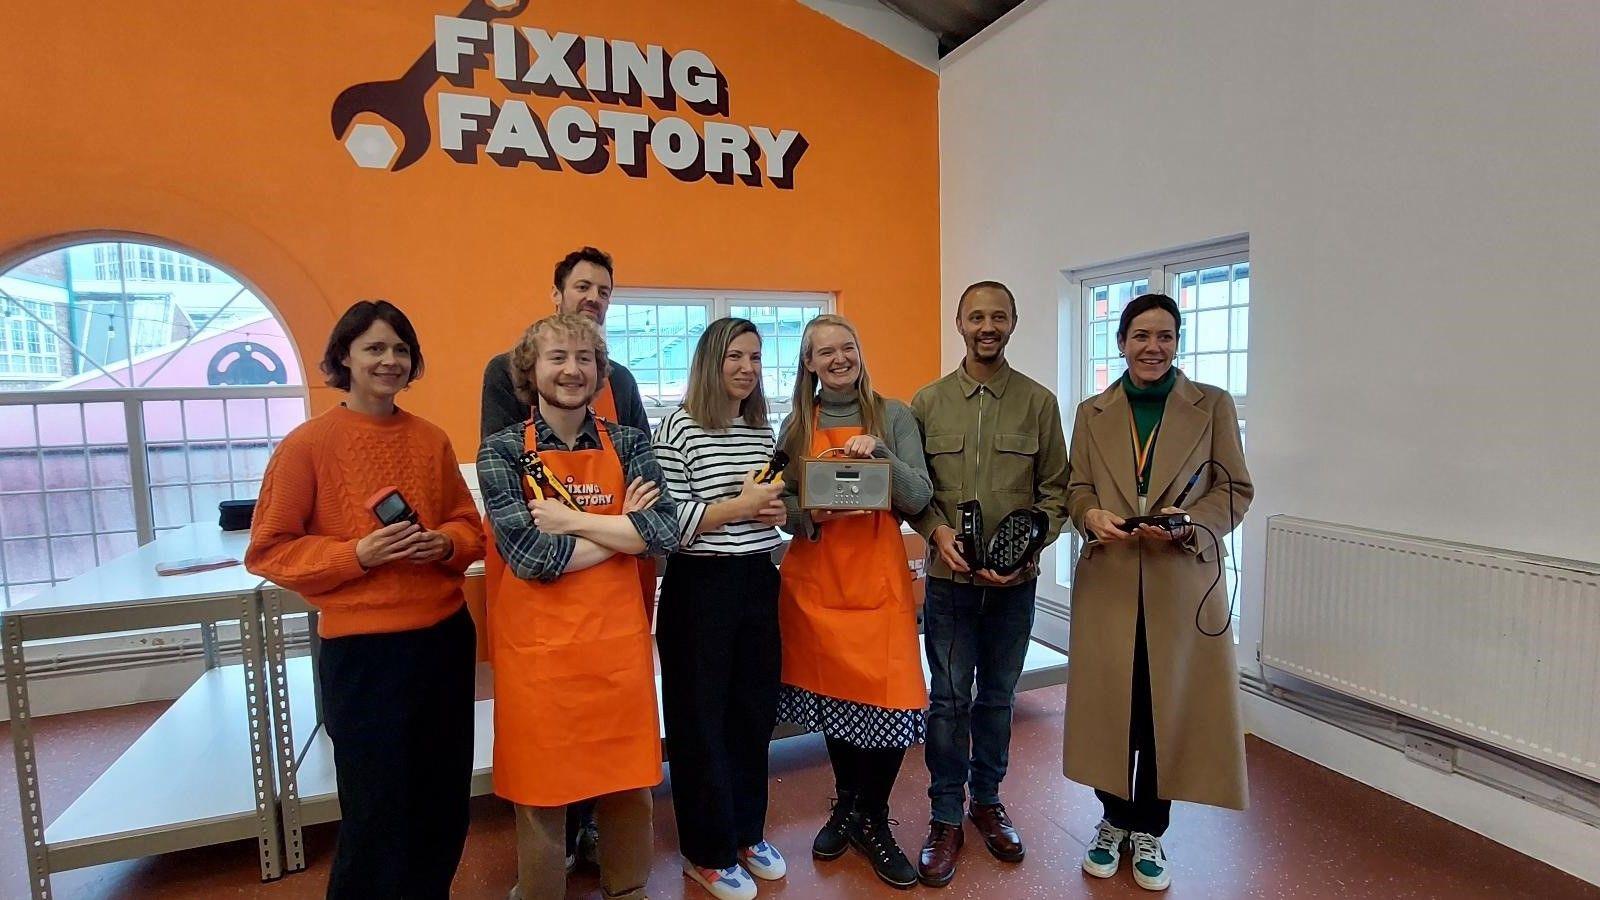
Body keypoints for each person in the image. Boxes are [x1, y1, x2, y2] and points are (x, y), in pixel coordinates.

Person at [246, 300, 485, 900]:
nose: (389, 360)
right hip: (363, 656)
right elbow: (270, 550)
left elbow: (470, 527)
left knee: (442, 801)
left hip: (442, 641)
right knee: (378, 814)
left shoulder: (430, 439)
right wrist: (358, 555)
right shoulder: (307, 446)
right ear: (344, 358)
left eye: (400, 349)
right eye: (375, 348)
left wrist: (441, 543)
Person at [476, 312, 679, 900]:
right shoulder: (503, 452)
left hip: (617, 648)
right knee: (541, 788)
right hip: (538, 656)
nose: (572, 370)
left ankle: (629, 888)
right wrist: (622, 528)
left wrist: (574, 522)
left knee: (627, 782)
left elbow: (664, 532)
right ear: (530, 370)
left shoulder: (632, 442)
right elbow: (531, 556)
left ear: (600, 372)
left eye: (585, 359)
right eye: (557, 357)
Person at [1063, 292, 1252, 892]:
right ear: (1121, 343)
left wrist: (1191, 523)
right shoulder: (1092, 412)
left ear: (1178, 343)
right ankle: (1112, 820)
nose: (1152, 347)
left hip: (1179, 580)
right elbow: (1076, 488)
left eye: (1165, 336)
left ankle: (1150, 829)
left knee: (1161, 708)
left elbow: (1233, 491)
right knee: (1110, 706)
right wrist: (1089, 514)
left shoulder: (1211, 406)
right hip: (1111, 580)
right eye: (1140, 335)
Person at [908, 280, 1071, 888]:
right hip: (949, 586)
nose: (987, 326)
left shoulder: (1038, 404)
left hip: (1014, 587)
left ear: (1012, 323)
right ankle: (945, 817)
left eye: (997, 316)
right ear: (958, 321)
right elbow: (913, 491)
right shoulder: (926, 404)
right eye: (976, 315)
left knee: (998, 700)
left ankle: (986, 802)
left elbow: (1057, 492)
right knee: (948, 702)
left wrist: (1032, 545)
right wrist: (933, 531)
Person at [773, 314, 933, 890]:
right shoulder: (796, 425)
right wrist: (809, 514)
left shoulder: (893, 416)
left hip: (878, 584)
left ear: (860, 353)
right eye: (826, 352)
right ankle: (849, 806)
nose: (839, 359)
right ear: (809, 363)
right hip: (818, 585)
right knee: (839, 701)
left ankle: (872, 814)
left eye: (848, 348)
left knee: (890, 705)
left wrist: (882, 455)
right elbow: (781, 507)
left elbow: (919, 497)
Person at [653, 317, 788, 900]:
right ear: (711, 362)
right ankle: (704, 851)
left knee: (752, 714)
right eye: (736, 356)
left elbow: (768, 509)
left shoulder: (764, 430)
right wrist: (741, 504)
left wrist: (773, 514)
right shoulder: (677, 429)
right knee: (699, 722)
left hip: (758, 578)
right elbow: (670, 526)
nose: (748, 368)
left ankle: (747, 832)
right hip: (698, 589)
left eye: (756, 358)